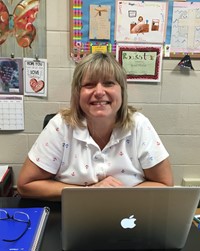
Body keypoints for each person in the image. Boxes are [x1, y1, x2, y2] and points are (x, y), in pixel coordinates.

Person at [17, 52, 173, 201]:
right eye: (89, 85)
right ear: (78, 93)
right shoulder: (60, 126)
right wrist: (90, 193)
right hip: (74, 215)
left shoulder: (139, 125)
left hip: (130, 216)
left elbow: (165, 185)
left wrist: (123, 195)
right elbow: (25, 185)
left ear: (122, 91)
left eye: (109, 83)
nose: (99, 92)